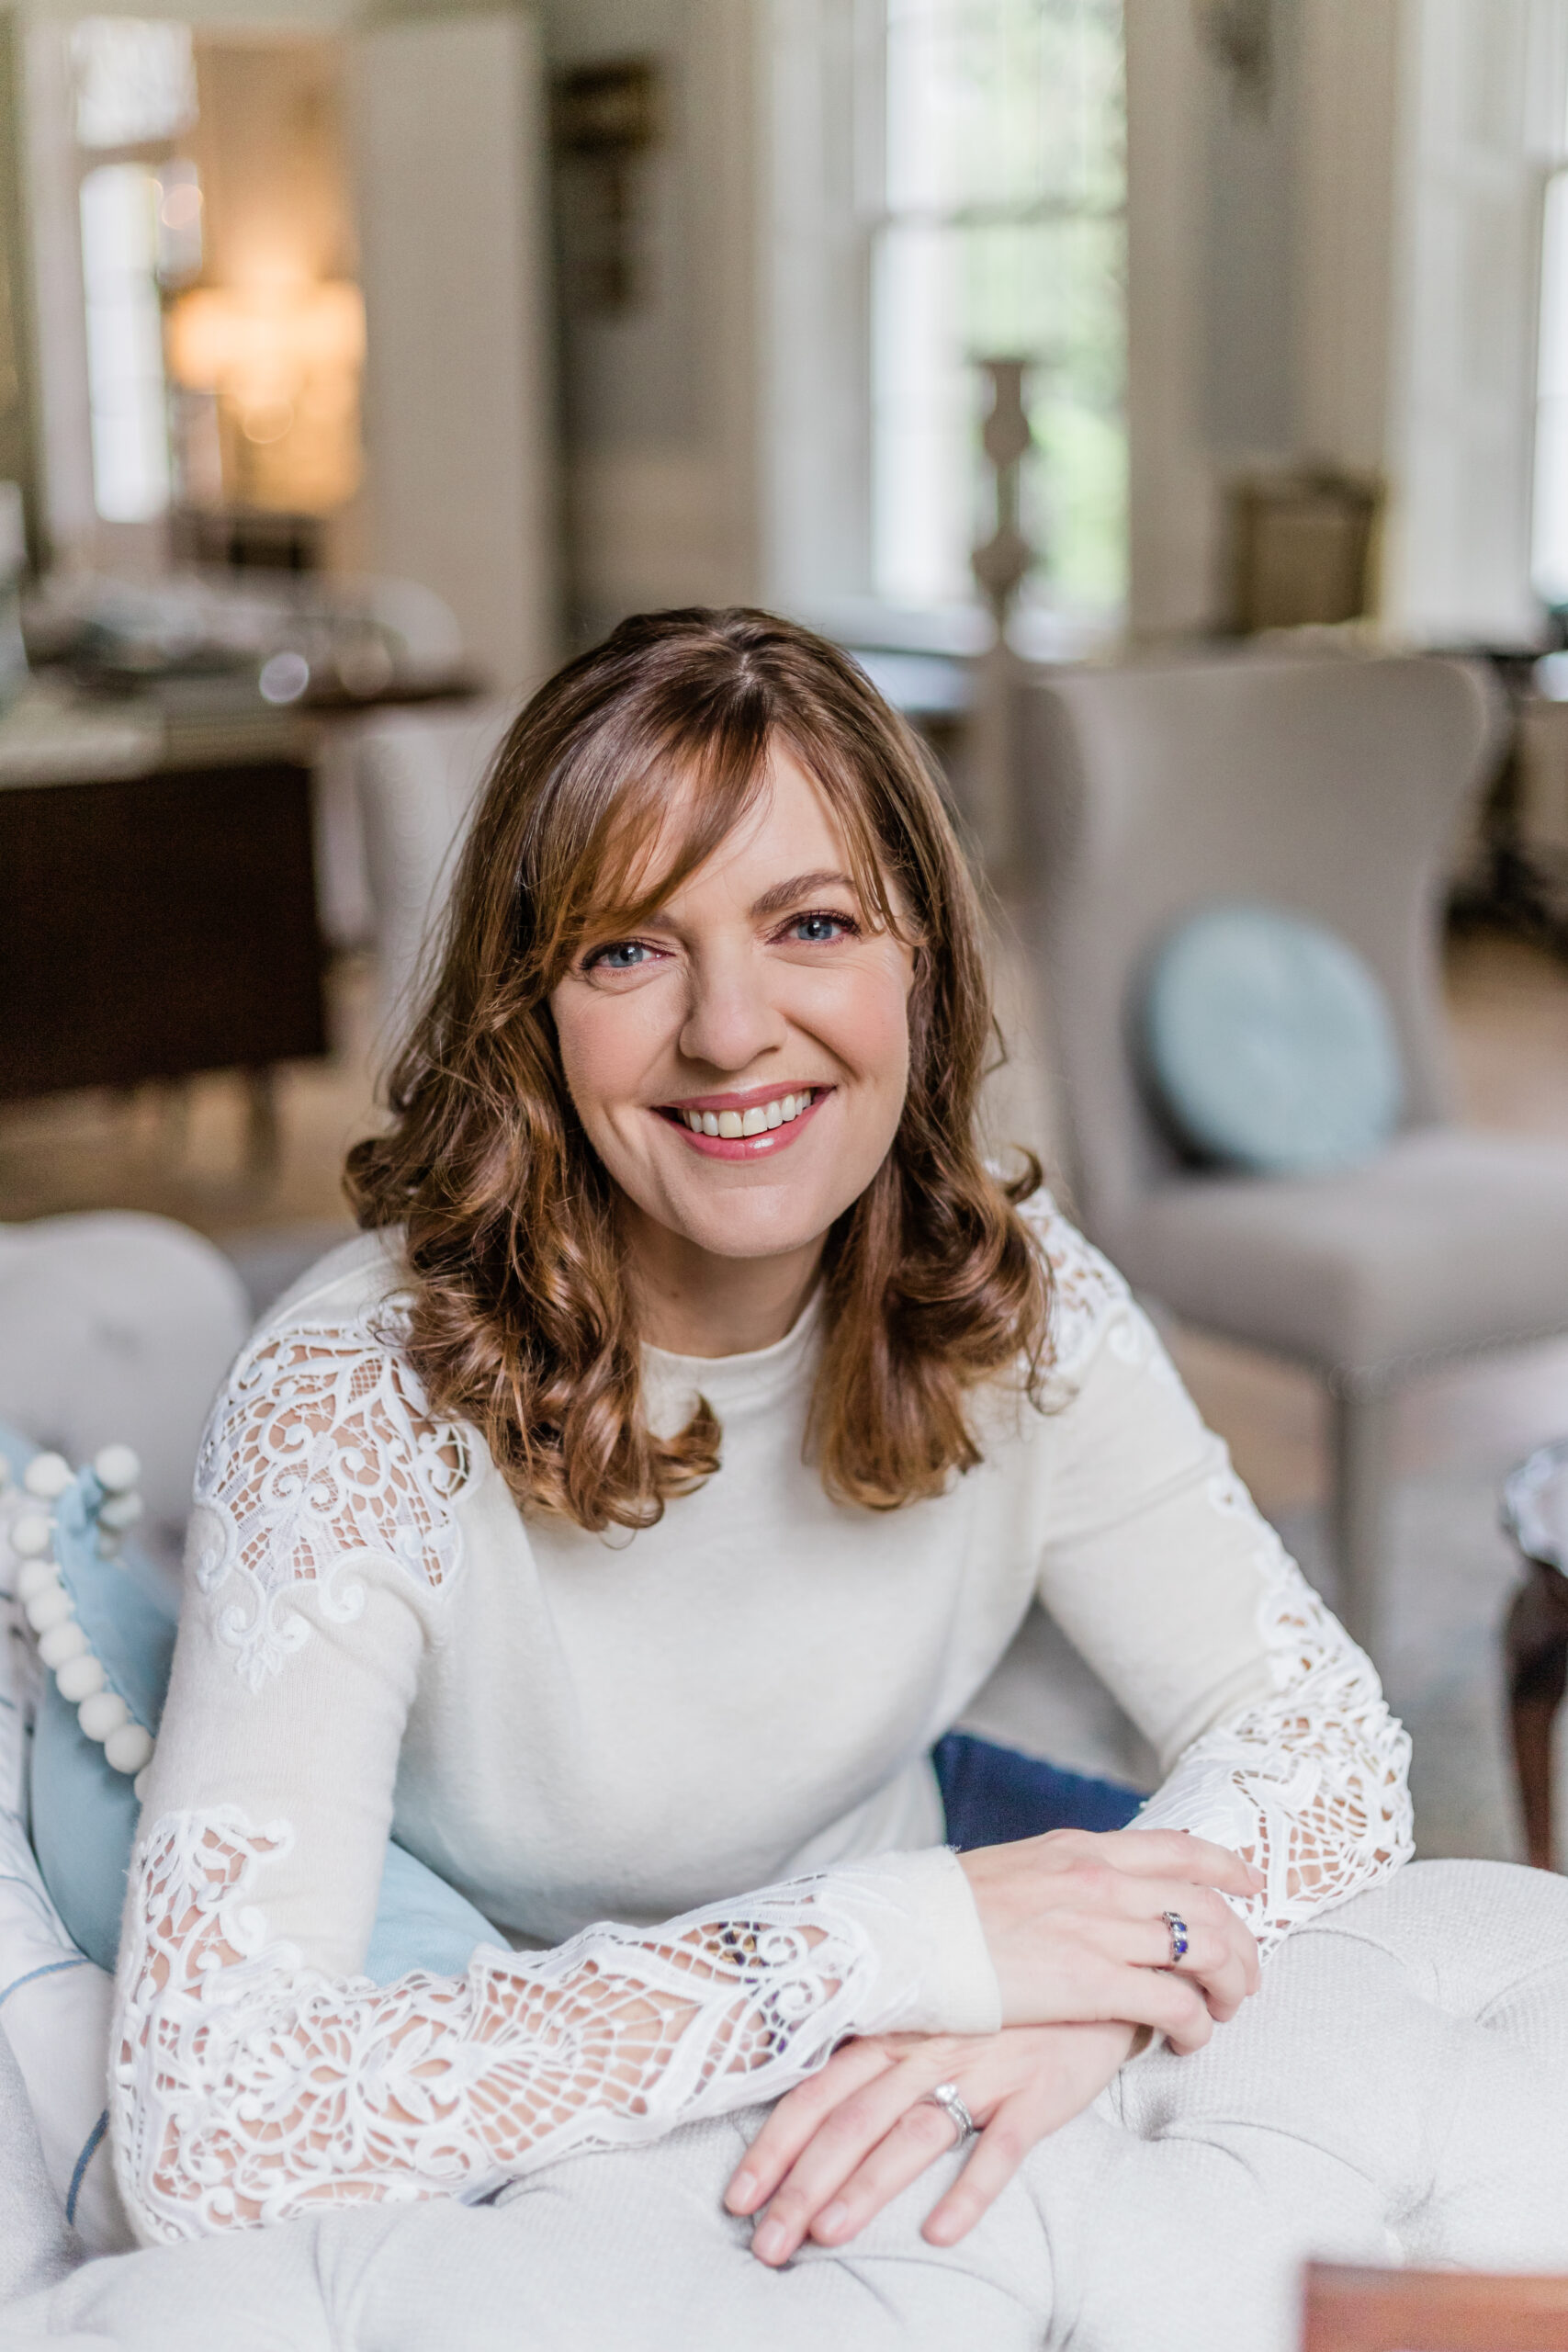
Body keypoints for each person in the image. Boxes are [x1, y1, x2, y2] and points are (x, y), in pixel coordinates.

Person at [112, 609, 1412, 2267]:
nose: (731, 1031)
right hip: (505, 2116)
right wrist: (898, 1948)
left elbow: (1332, 1748)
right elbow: (216, 2137)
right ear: (531, 1016)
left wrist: (1076, 1997)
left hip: (911, 2059)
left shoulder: (1017, 1306)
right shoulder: (349, 1397)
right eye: (628, 950)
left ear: (918, 963)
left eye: (809, 923)